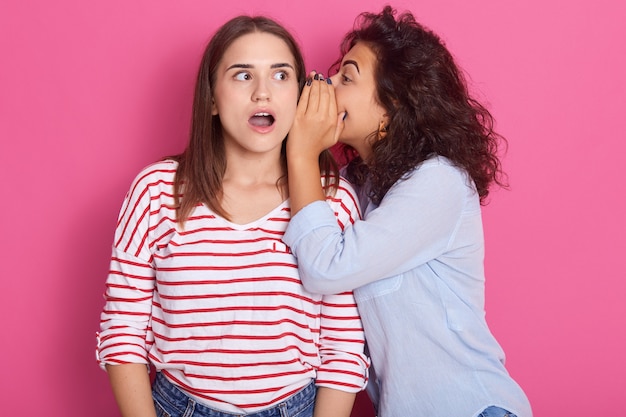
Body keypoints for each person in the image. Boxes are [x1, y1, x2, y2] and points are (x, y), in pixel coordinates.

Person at [96, 15, 369, 417]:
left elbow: (342, 349)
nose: (263, 93)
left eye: (280, 75)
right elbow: (123, 331)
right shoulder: (156, 191)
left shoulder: (332, 200)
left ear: (300, 94)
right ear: (210, 98)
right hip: (178, 406)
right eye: (243, 76)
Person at [284, 6, 533, 417]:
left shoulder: (439, 182)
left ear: (395, 103)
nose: (328, 86)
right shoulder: (354, 186)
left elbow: (325, 267)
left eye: (347, 77)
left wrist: (303, 151)